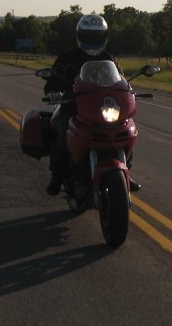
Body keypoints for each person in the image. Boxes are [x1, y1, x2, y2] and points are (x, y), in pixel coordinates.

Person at [43, 14, 137, 195]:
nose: (93, 41)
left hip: (103, 109)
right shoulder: (67, 58)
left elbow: (121, 81)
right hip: (73, 108)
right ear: (80, 36)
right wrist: (53, 92)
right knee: (63, 137)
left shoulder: (110, 59)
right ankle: (57, 177)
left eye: (97, 37)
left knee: (127, 131)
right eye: (89, 37)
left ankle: (126, 171)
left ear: (105, 37)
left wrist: (129, 92)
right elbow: (53, 81)